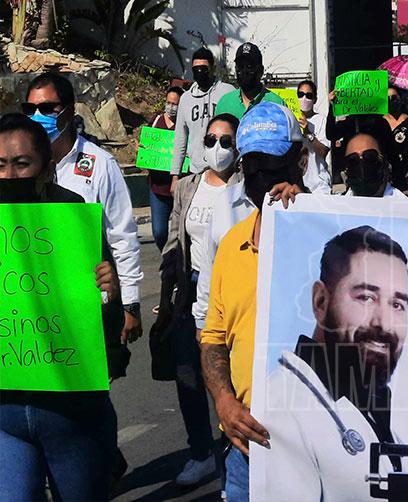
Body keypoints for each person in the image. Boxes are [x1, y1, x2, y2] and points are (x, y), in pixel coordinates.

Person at [0, 113, 124, 501]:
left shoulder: (73, 215)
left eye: (21, 163)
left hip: (70, 409)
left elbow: (104, 320)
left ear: (46, 167)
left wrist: (109, 292)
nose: (9, 175)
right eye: (0, 164)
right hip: (6, 410)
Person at [257, 225, 408, 500]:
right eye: (366, 297)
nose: (384, 323)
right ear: (321, 302)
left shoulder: (372, 409)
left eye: (397, 304)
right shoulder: (281, 409)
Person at [200, 102, 306, 502]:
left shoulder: (334, 235)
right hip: (248, 452)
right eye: (253, 166)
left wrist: (306, 215)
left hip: (322, 449)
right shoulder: (232, 245)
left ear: (298, 161)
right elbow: (213, 338)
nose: (263, 177)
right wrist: (224, 402)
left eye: (274, 165)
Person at [154, 113, 243, 486]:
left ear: (238, 146)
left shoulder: (246, 187)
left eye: (225, 141)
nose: (217, 148)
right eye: (210, 140)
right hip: (190, 290)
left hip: (233, 291)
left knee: (230, 375)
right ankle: (201, 452)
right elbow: (174, 241)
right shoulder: (188, 186)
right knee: (188, 373)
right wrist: (167, 297)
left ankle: (235, 450)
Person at [24, 72, 143, 344]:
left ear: (69, 112)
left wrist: (131, 303)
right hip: (31, 306)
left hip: (86, 307)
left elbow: (121, 236)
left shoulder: (100, 164)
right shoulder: (17, 168)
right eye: (30, 109)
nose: (38, 116)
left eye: (47, 108)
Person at [170, 47, 236, 187]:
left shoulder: (228, 92)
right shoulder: (186, 99)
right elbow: (180, 139)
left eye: (203, 69)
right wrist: (175, 175)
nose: (200, 73)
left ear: (213, 68)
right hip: (196, 171)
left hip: (225, 171)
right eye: (196, 69)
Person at [146, 86, 183, 251]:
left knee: (182, 233)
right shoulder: (156, 121)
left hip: (179, 188)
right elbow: (147, 145)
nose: (171, 107)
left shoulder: (184, 124)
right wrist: (143, 150)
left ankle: (178, 261)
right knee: (159, 232)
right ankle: (167, 256)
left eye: (175, 104)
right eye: (168, 103)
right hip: (157, 188)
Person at [215, 43, 286, 121]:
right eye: (240, 66)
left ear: (261, 71)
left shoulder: (277, 104)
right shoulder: (225, 103)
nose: (244, 71)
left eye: (250, 67)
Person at [342, 133, 408, 198]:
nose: (361, 164)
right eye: (352, 160)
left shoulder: (405, 205)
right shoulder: (338, 204)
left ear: (384, 161)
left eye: (370, 156)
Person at [295, 79, 332, 194]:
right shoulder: (290, 119)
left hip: (319, 186)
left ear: (315, 99)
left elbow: (323, 152)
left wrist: (308, 133)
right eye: (300, 94)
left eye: (309, 96)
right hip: (296, 184)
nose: (304, 98)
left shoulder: (321, 121)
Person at [384, 86, 408, 195]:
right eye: (388, 99)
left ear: (400, 99)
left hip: (405, 177)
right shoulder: (379, 122)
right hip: (384, 178)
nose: (391, 101)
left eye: (394, 97)